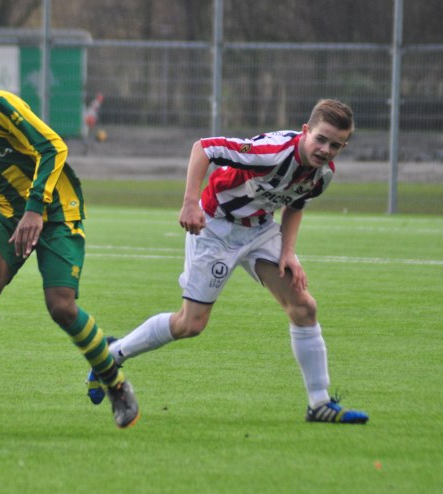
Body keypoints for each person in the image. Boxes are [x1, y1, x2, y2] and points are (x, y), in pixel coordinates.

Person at [86, 99, 368, 424]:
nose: (325, 149)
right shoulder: (272, 153)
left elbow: (296, 203)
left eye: (336, 145)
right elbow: (203, 148)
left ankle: (318, 403)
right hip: (215, 227)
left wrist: (288, 252)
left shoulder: (323, 174)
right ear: (306, 131)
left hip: (260, 230)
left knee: (304, 307)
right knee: (190, 324)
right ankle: (110, 356)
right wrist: (190, 203)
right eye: (321, 139)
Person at [0, 38, 139, 429]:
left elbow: (53, 146)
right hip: (4, 214)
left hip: (53, 208)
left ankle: (116, 383)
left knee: (61, 307)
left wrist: (35, 207)